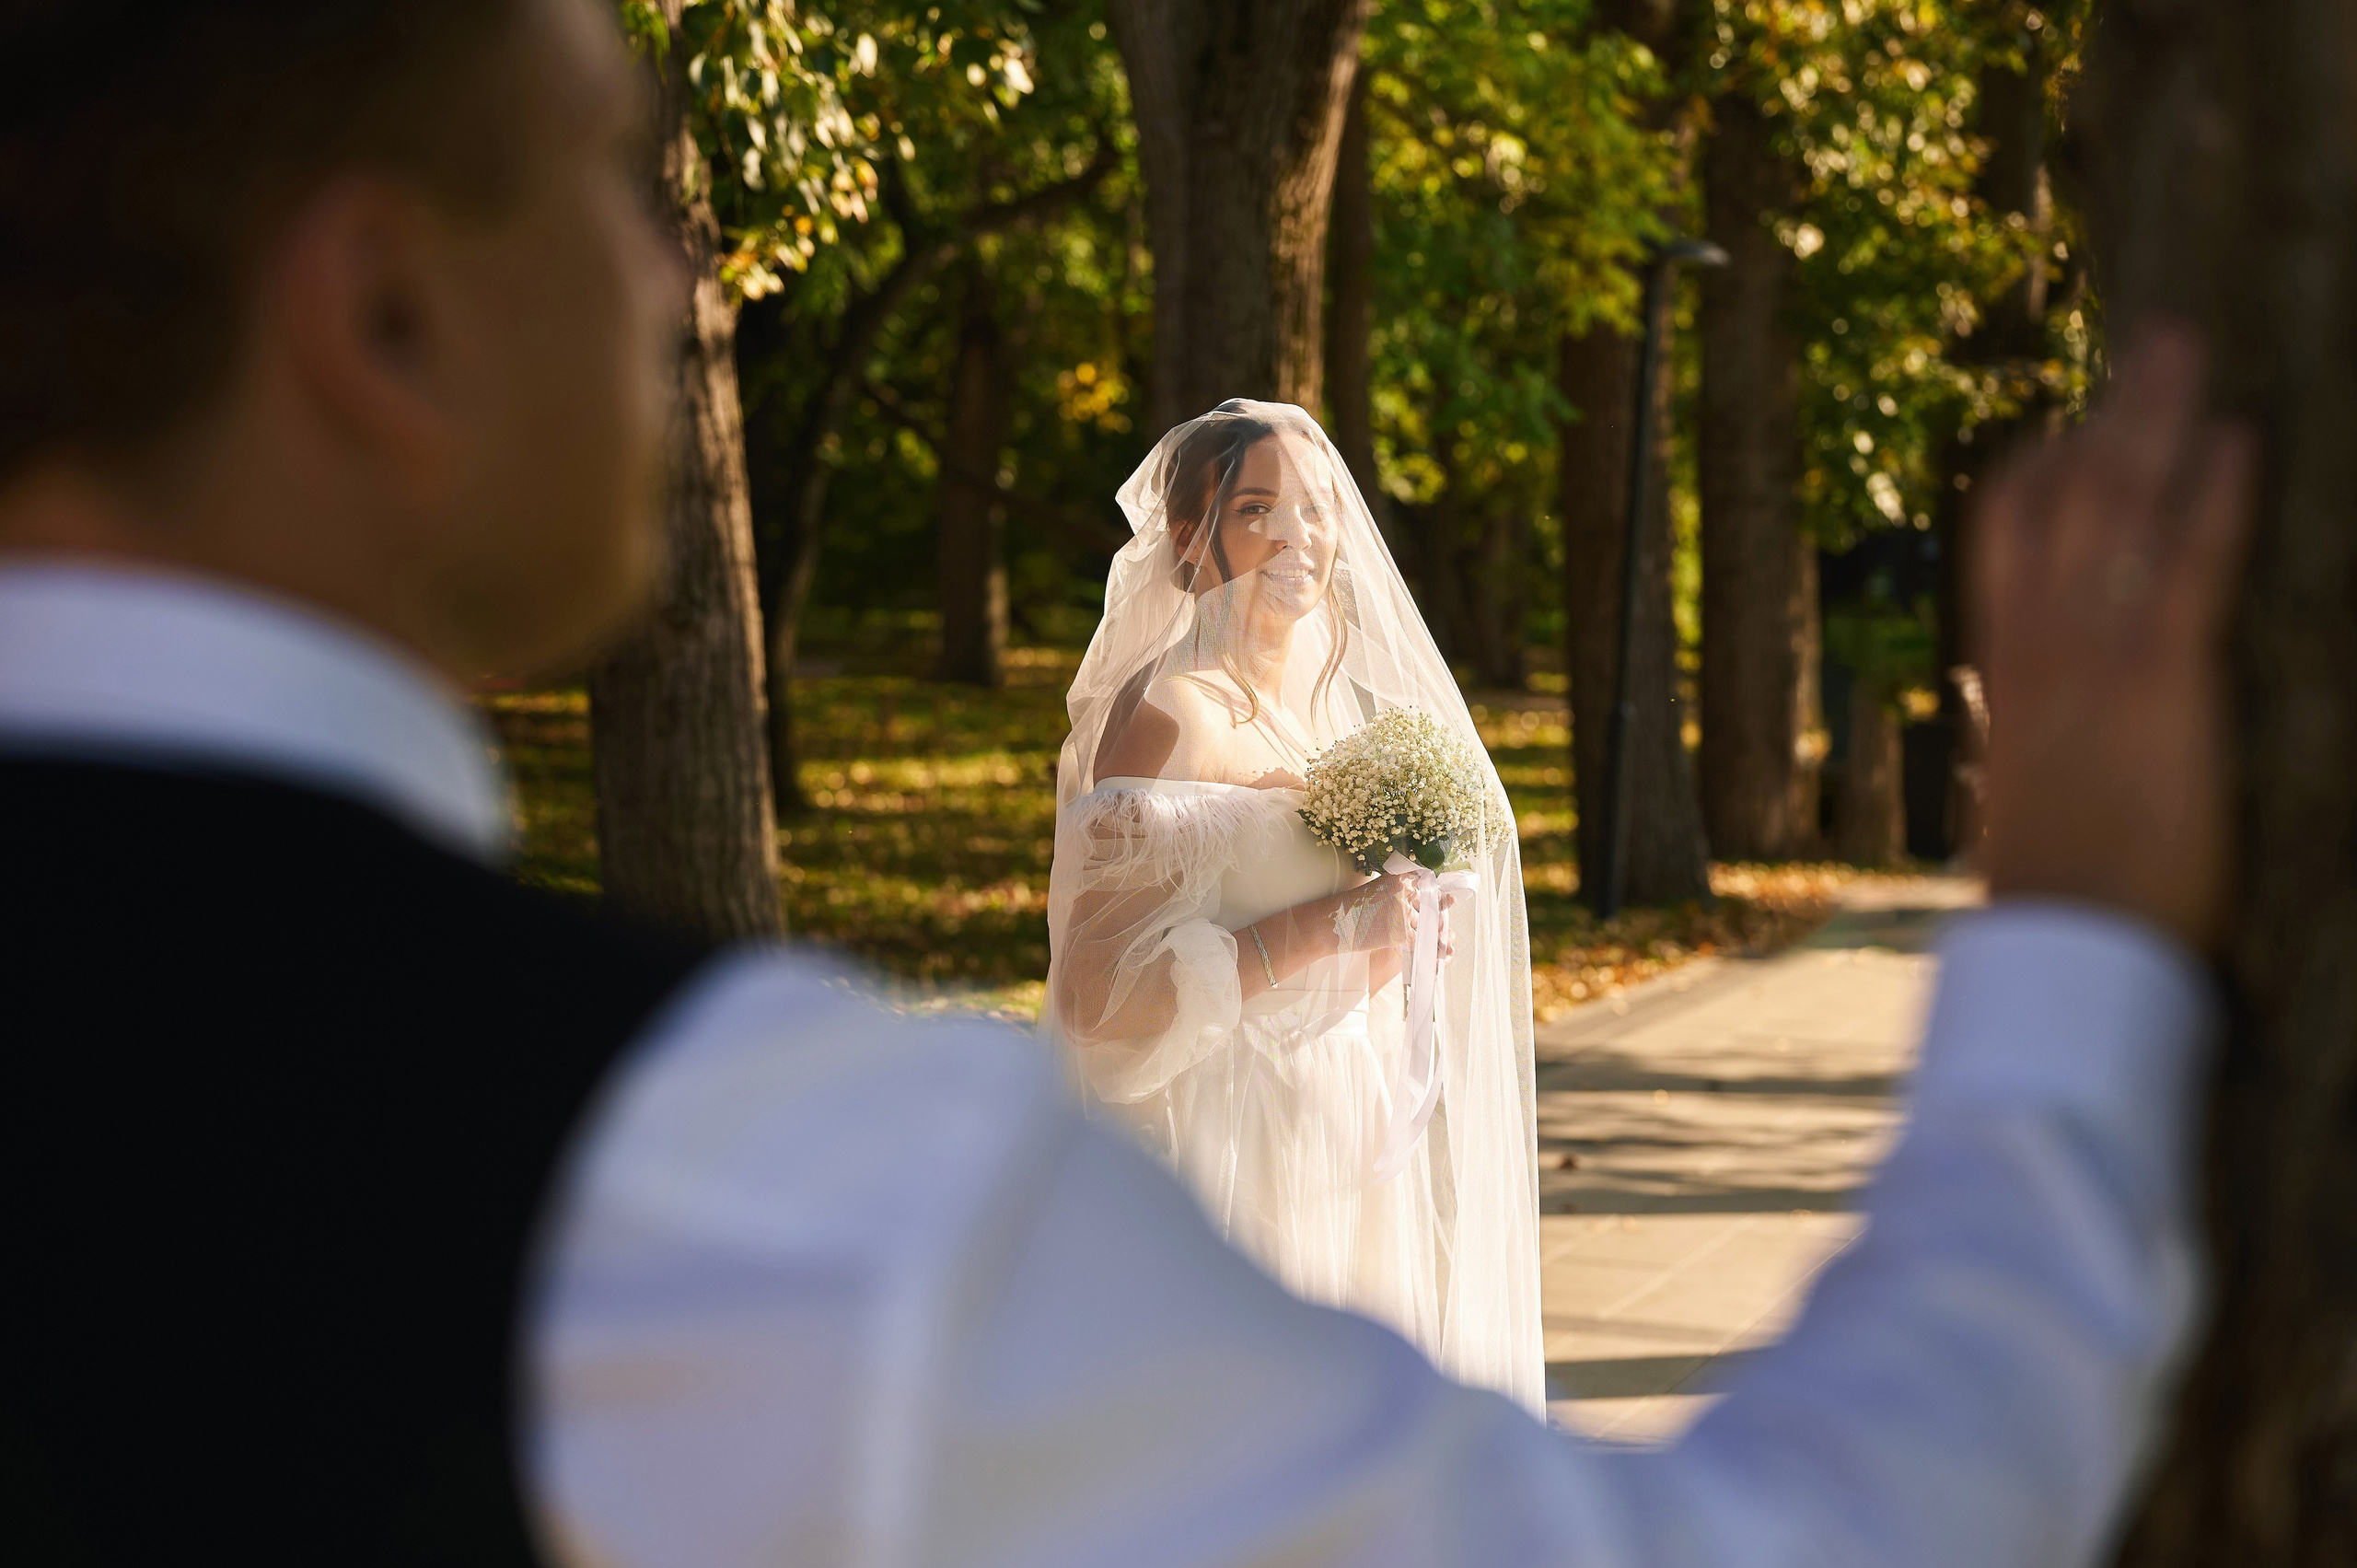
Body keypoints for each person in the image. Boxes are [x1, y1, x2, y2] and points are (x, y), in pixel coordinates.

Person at [0, 2, 2251, 1566]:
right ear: (380, 316)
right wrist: (2071, 954)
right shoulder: (743, 1186)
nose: (689, 272)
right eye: (610, 172)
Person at [1043, 401, 1539, 1409]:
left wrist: (1396, 935)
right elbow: (1092, 996)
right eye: (1256, 509)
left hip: (1341, 1138)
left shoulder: (1326, 717)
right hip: (1224, 1149)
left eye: (1313, 509)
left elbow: (1331, 963)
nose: (1294, 538)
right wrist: (1320, 927)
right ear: (1190, 541)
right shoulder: (1169, 715)